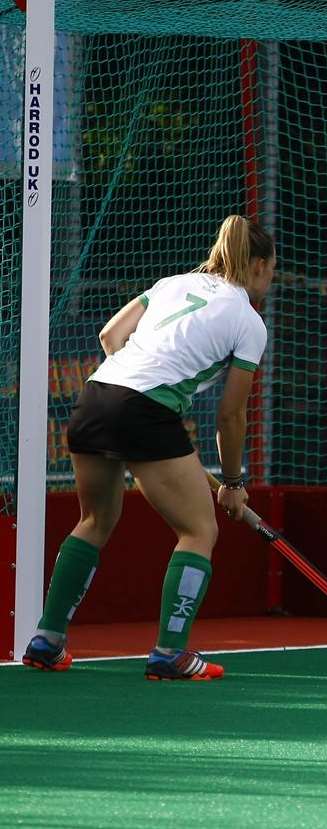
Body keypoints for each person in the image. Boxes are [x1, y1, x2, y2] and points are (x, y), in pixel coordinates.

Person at [21, 215, 274, 681]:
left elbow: (110, 337)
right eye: (271, 270)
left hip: (97, 395)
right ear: (258, 265)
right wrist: (234, 483)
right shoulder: (248, 321)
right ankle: (170, 653)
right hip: (145, 411)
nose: (271, 280)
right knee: (199, 530)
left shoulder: (173, 283)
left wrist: (129, 395)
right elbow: (231, 415)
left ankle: (47, 641)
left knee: (95, 520)